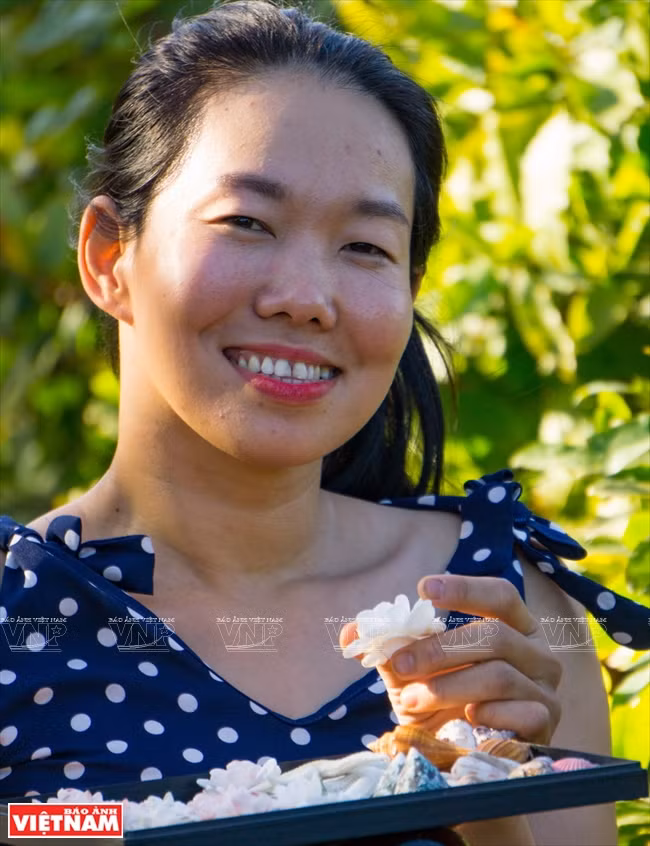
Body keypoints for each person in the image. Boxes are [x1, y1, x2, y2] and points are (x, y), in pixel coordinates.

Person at [1, 2, 647, 843]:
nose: (306, 298)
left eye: (366, 247)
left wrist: (484, 792)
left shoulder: (506, 613)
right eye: (246, 223)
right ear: (109, 257)